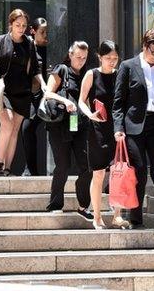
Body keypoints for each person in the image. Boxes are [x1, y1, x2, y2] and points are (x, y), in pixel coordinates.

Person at [113, 28, 154, 234]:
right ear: (144, 46)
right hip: (134, 127)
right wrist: (118, 128)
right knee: (138, 173)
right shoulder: (128, 66)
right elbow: (118, 102)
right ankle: (135, 218)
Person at [78, 40, 130, 229]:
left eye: (115, 58)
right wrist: (89, 114)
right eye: (108, 58)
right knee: (99, 173)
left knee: (118, 172)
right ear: (99, 57)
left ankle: (116, 215)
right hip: (97, 128)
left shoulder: (120, 75)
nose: (112, 61)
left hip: (116, 129)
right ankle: (97, 216)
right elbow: (81, 100)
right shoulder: (92, 75)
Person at [0, 9, 45, 176]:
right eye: (17, 25)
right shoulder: (0, 41)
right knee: (7, 122)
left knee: (14, 129)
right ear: (10, 24)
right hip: (3, 90)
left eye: (24, 26)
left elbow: (35, 68)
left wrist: (44, 85)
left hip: (23, 91)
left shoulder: (29, 43)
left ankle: (7, 167)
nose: (21, 28)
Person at [44, 41, 93, 220]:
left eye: (84, 58)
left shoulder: (87, 74)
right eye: (78, 57)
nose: (81, 61)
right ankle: (55, 204)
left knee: (86, 167)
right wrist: (66, 101)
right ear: (70, 54)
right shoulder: (61, 70)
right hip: (60, 125)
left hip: (80, 125)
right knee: (63, 166)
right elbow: (48, 93)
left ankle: (83, 206)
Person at [21, 17, 49, 176]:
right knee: (27, 129)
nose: (46, 36)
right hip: (34, 96)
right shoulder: (29, 48)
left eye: (47, 32)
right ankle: (30, 169)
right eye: (42, 32)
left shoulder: (53, 48)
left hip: (52, 96)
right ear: (33, 31)